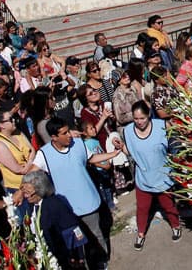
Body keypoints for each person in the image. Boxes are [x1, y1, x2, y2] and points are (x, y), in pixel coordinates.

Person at [32, 117, 126, 270]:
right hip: (68, 210)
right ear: (54, 137)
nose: (69, 135)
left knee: (96, 235)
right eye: (64, 133)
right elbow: (32, 175)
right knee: (76, 243)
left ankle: (101, 263)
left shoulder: (79, 144)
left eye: (68, 131)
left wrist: (112, 155)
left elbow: (92, 158)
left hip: (88, 202)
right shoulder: (44, 154)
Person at [120, 101, 182, 250]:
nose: (139, 122)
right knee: (142, 208)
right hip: (143, 179)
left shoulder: (162, 126)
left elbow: (175, 145)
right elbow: (130, 151)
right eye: (136, 119)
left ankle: (176, 225)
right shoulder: (128, 131)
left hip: (162, 176)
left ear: (149, 115)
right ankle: (140, 234)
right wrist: (120, 147)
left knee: (168, 205)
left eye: (142, 118)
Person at [21, 170, 89, 269]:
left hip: (65, 259)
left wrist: (77, 256)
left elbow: (73, 229)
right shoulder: (34, 205)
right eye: (24, 192)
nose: (26, 196)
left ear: (40, 189)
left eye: (28, 193)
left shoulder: (54, 204)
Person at [0, 108, 35, 220]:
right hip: (17, 188)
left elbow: (32, 149)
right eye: (10, 119)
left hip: (33, 180)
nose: (14, 121)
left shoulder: (18, 133)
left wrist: (29, 163)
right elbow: (19, 169)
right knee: (31, 220)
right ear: (2, 125)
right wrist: (32, 162)